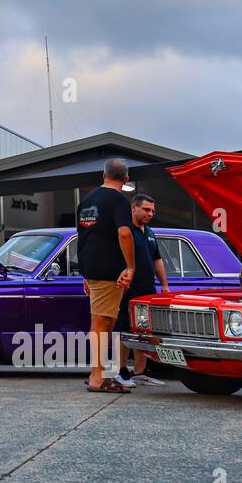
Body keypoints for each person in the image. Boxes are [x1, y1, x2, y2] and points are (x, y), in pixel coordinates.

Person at [77, 159, 137, 393]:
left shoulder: (86, 200)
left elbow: (82, 236)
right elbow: (124, 232)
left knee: (106, 320)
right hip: (109, 268)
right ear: (126, 179)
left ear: (103, 175)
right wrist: (130, 267)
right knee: (101, 322)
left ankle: (99, 372)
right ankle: (96, 377)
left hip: (91, 266)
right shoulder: (119, 200)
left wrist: (85, 273)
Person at [119, 194, 170, 385]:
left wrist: (164, 284)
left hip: (147, 289)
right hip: (128, 288)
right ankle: (121, 371)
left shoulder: (149, 232)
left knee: (143, 330)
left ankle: (139, 372)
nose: (151, 214)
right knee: (124, 329)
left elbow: (157, 259)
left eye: (153, 211)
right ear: (134, 208)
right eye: (147, 209)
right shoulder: (125, 231)